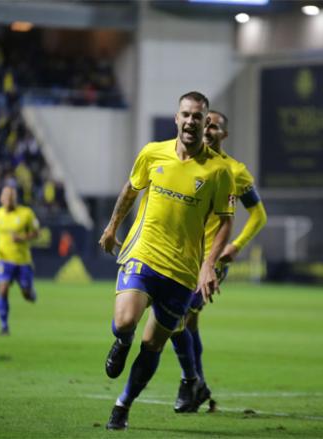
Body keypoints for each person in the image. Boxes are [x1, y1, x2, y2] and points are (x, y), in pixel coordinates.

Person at [98, 92, 235, 430]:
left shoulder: (219, 172)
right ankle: (121, 340)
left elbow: (226, 221)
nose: (190, 121)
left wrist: (208, 265)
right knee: (126, 321)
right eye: (185, 115)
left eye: (197, 117)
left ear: (205, 124)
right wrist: (113, 225)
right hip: (144, 255)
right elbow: (130, 190)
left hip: (182, 272)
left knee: (153, 344)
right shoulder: (152, 152)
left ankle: (123, 404)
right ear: (177, 118)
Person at [170, 110, 267, 413]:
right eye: (205, 124)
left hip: (208, 262)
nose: (208, 129)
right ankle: (197, 383)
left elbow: (259, 215)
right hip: (180, 256)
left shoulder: (234, 171)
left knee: (177, 319)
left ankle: (191, 384)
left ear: (223, 135)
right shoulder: (186, 162)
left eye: (214, 127)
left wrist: (236, 246)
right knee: (188, 322)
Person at [0, 185, 39, 335]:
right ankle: (4, 326)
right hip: (3, 259)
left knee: (27, 294)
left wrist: (21, 238)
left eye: (12, 196)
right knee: (2, 290)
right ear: (1, 198)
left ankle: (31, 293)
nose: (9, 199)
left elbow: (36, 233)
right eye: (6, 196)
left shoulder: (26, 213)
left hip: (23, 261)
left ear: (15, 198)